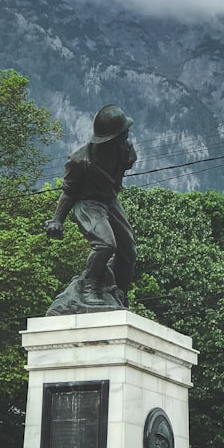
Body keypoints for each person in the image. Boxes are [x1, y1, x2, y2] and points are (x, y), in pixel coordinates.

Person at [44, 104, 137, 308]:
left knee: (128, 250)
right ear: (111, 137)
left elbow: (126, 164)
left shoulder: (124, 148)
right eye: (123, 132)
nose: (127, 134)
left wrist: (128, 160)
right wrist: (57, 220)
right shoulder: (79, 161)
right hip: (88, 203)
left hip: (110, 200)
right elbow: (68, 192)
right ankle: (89, 285)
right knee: (105, 244)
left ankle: (118, 293)